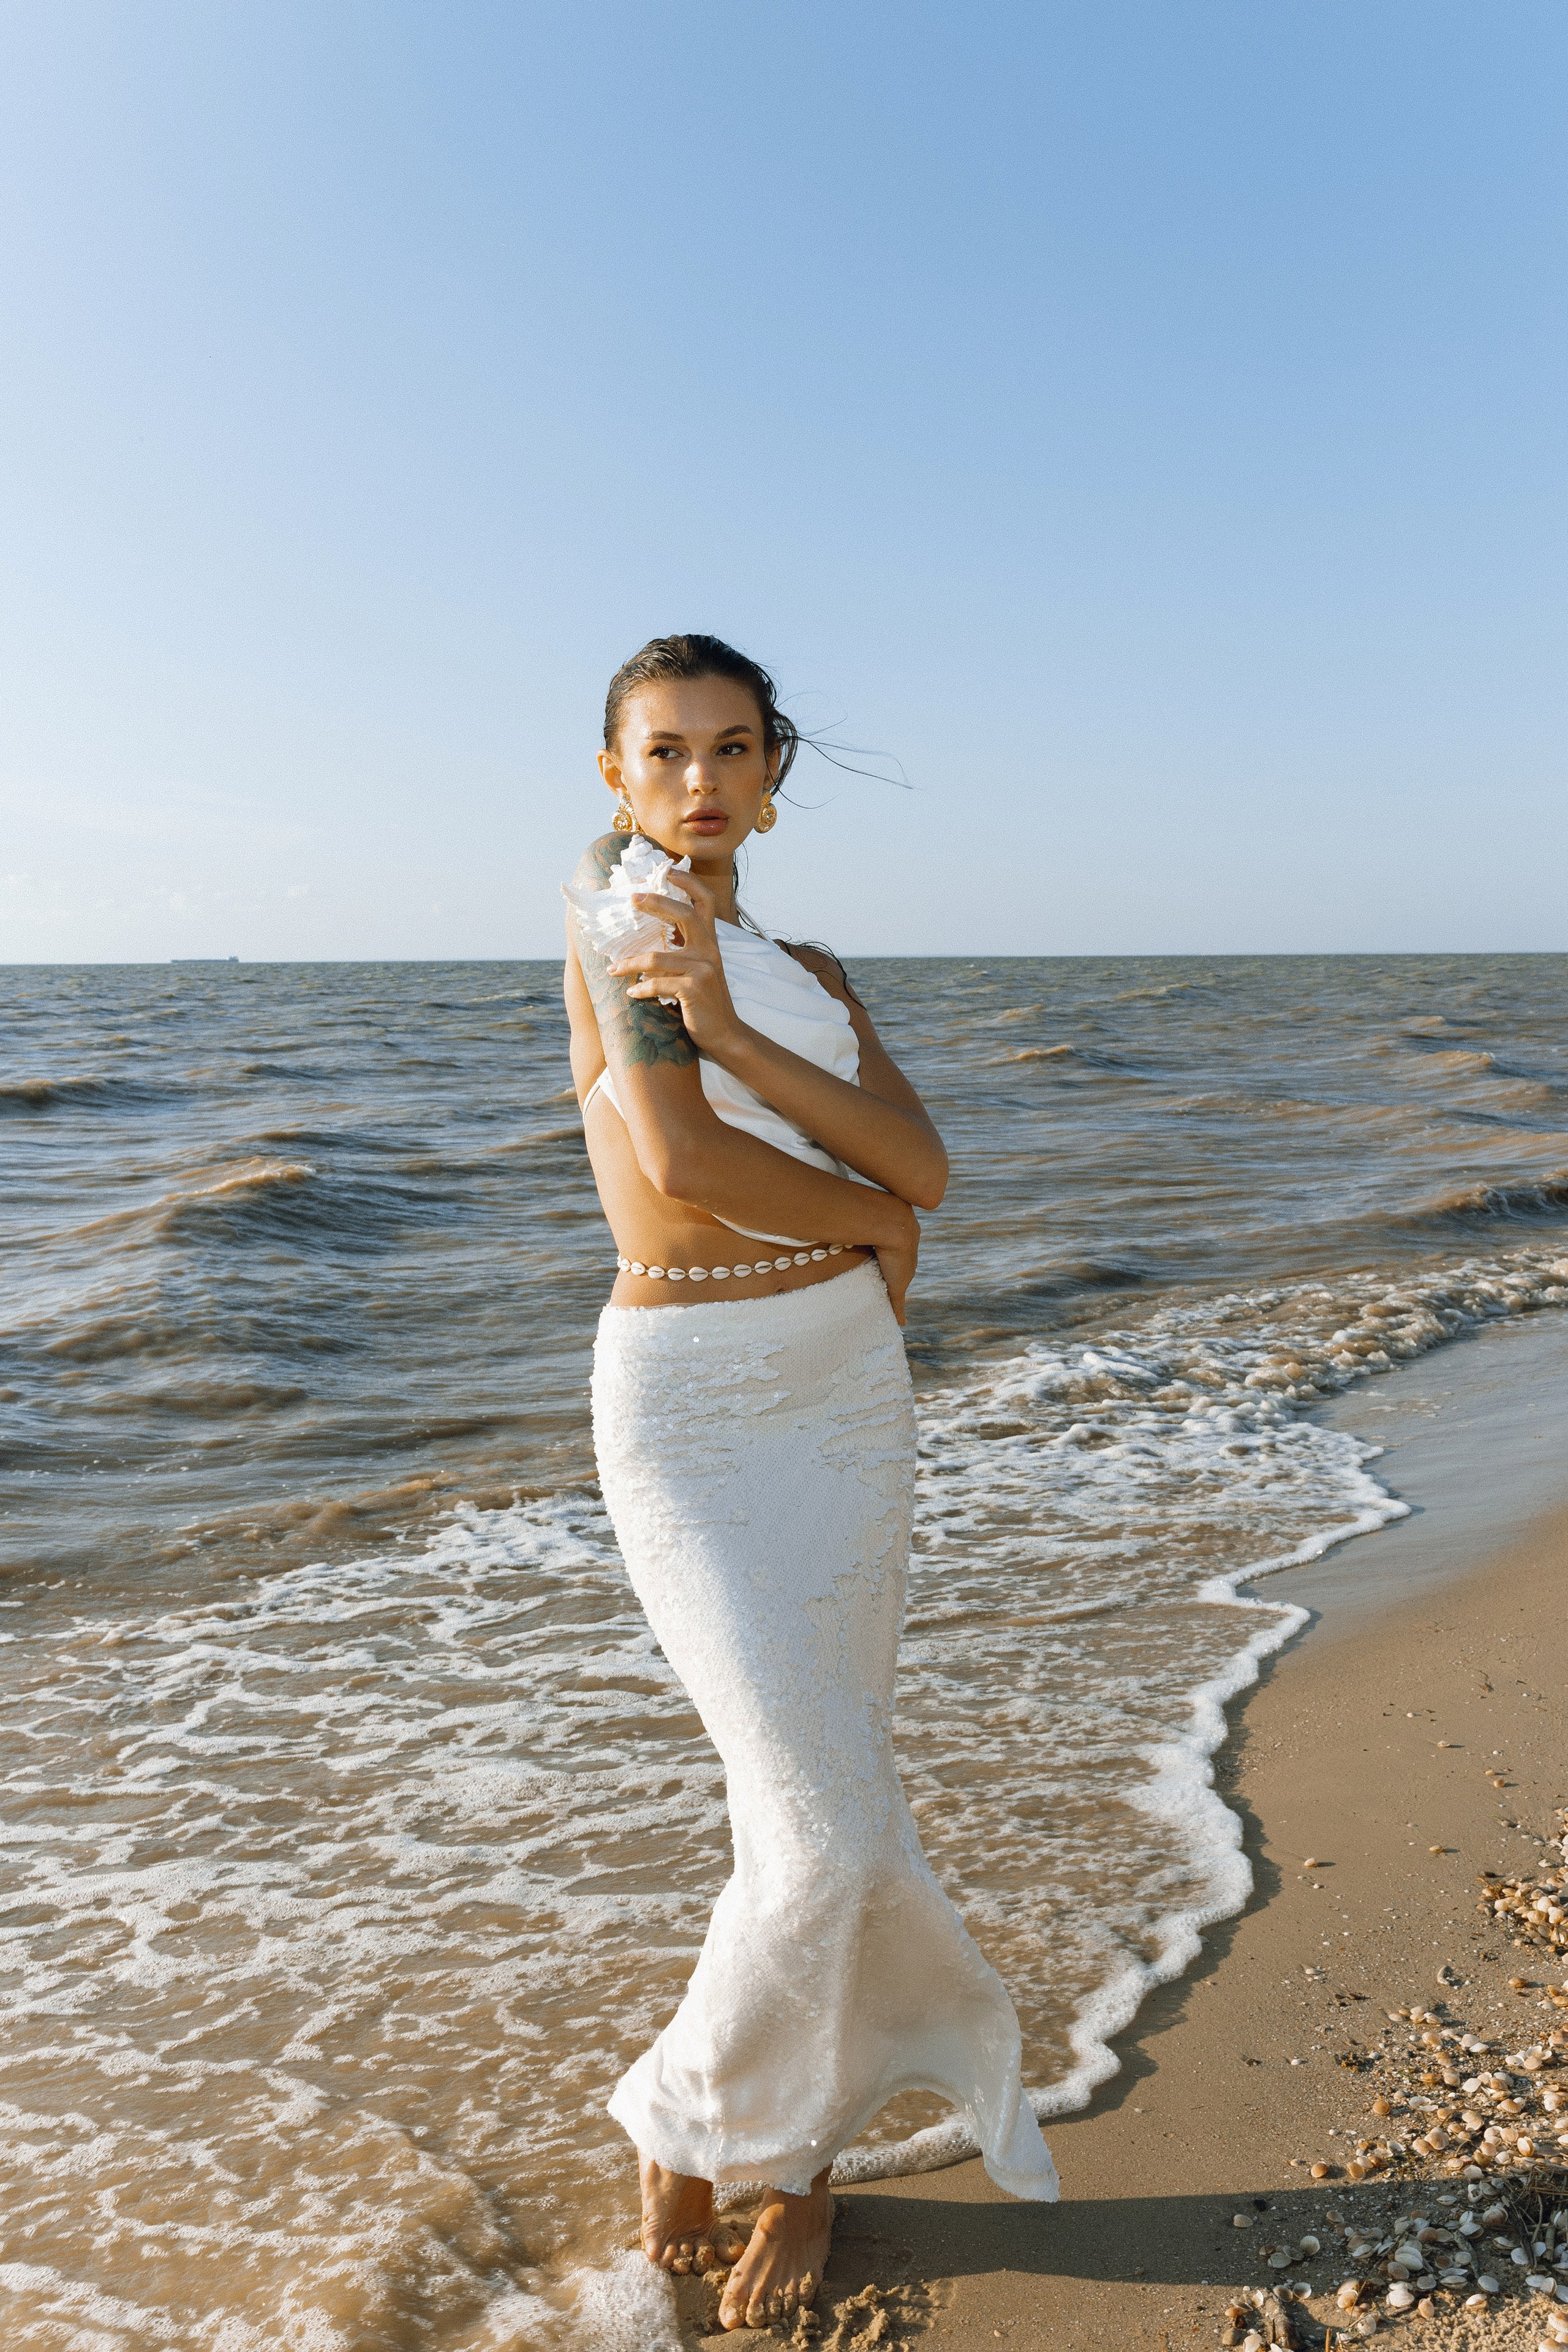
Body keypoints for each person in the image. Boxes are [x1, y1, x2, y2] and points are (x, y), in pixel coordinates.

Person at [562, 635, 1056, 2332]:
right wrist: (875, 1225)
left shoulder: (809, 972)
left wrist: (728, 1028)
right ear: (618, 776)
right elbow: (679, 1164)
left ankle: (788, 2156)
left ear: (774, 775)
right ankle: (698, 2116)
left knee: (812, 1808)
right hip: (691, 1402)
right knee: (825, 1824)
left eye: (733, 748)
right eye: (665, 750)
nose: (700, 779)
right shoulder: (615, 914)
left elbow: (924, 1164)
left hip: (845, 1394)